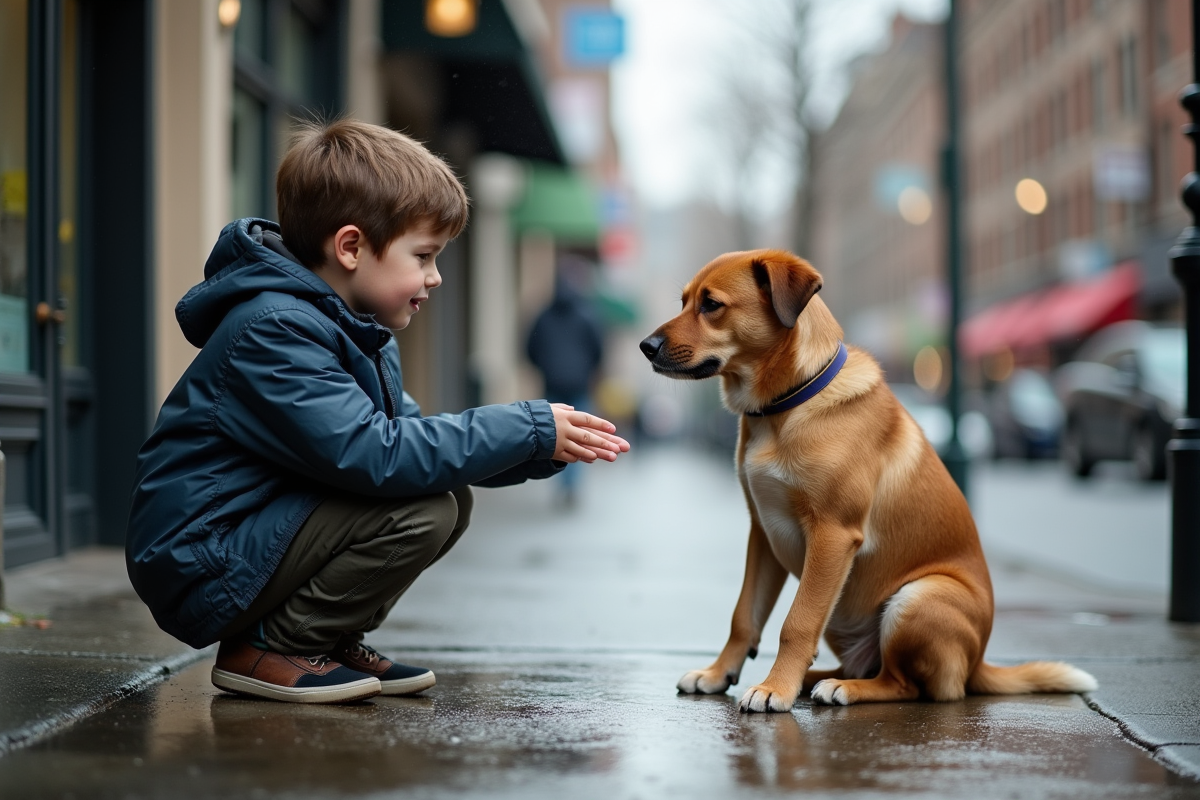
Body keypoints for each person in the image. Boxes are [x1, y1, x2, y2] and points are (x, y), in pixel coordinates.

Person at [125, 119, 629, 705]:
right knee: (419, 512)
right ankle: (273, 646)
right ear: (350, 248)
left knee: (445, 498)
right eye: (424, 256)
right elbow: (375, 454)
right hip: (200, 559)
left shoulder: (354, 331)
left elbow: (413, 440)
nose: (435, 277)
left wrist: (535, 444)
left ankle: (325, 638)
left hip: (249, 536)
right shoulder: (275, 330)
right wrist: (525, 427)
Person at [525, 265, 606, 507]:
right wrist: (587, 371)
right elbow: (598, 351)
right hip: (579, 385)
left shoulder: (543, 315)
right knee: (578, 437)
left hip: (551, 383)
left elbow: (528, 348)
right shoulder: (588, 314)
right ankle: (571, 486)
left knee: (552, 435)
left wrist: (545, 368)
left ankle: (560, 483)